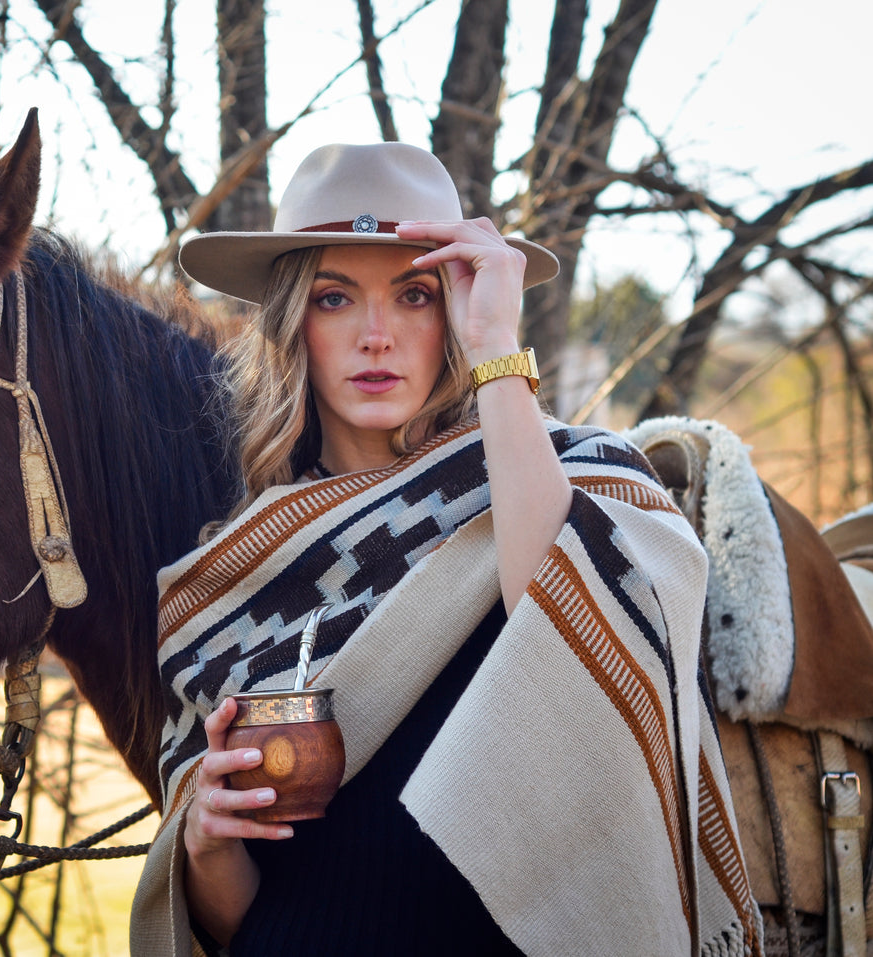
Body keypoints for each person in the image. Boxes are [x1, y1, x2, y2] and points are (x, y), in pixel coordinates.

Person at [129, 143, 761, 956]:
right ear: (294, 325)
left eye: (415, 295)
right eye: (333, 298)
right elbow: (242, 921)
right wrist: (208, 845)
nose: (376, 335)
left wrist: (498, 344)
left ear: (452, 317)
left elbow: (558, 615)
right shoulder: (244, 572)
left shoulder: (566, 487)